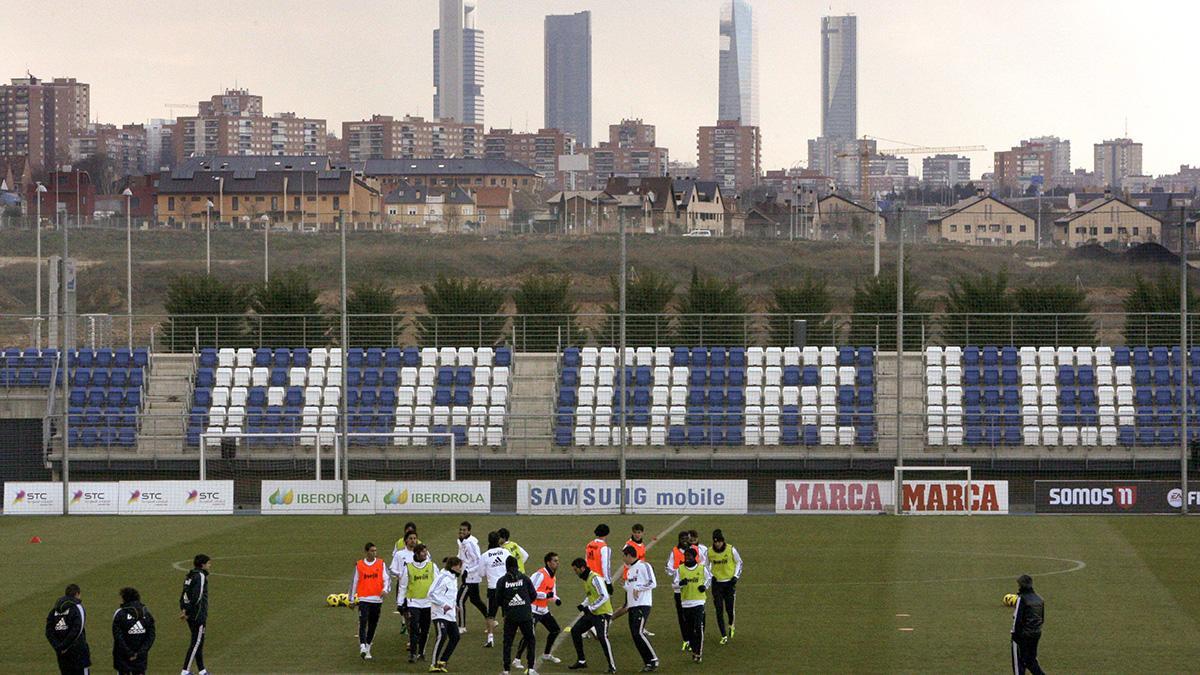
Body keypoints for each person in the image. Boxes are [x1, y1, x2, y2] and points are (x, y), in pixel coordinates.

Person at [567, 557, 617, 673]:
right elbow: (591, 595)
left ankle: (612, 666)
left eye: (576, 570)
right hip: (594, 613)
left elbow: (604, 596)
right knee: (575, 631)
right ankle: (581, 661)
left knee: (602, 637)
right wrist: (583, 604)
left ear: (582, 568)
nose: (575, 573)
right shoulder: (587, 579)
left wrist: (590, 607)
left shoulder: (595, 578)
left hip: (603, 613)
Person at [516, 552, 563, 669]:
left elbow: (552, 593)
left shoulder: (553, 576)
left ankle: (547, 654)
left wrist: (556, 599)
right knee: (528, 635)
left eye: (557, 561)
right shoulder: (540, 574)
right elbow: (533, 592)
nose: (557, 563)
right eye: (555, 561)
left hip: (544, 610)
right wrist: (547, 595)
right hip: (533, 610)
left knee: (555, 630)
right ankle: (517, 659)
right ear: (548, 562)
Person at [497, 556, 539, 675]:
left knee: (508, 643)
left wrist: (509, 605)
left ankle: (506, 670)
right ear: (517, 565)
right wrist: (524, 604)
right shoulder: (525, 578)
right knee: (530, 640)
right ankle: (530, 668)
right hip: (525, 615)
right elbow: (534, 595)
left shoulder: (502, 581)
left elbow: (498, 600)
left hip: (510, 616)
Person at [349, 542, 390, 661]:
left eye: (375, 551)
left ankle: (368, 647)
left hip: (377, 600)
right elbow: (354, 582)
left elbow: (386, 579)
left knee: (373, 624)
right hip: (364, 599)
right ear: (366, 552)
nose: (374, 553)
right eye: (372, 551)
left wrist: (385, 589)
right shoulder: (360, 565)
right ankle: (362, 646)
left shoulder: (381, 563)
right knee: (363, 621)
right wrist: (351, 599)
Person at [397, 543, 436, 663]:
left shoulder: (432, 566)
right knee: (414, 629)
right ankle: (413, 653)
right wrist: (400, 603)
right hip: (413, 603)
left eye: (426, 551)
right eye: (423, 552)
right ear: (417, 554)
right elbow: (403, 587)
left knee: (425, 629)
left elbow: (438, 582)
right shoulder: (408, 567)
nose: (425, 554)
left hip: (428, 603)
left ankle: (421, 652)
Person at [623, 545, 659, 672]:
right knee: (635, 635)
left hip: (642, 605)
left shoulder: (644, 566)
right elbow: (629, 586)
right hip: (632, 606)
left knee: (638, 632)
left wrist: (639, 588)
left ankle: (653, 659)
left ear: (629, 555)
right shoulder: (629, 571)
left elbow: (652, 583)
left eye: (624, 556)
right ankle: (648, 662)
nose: (623, 559)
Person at [674, 548, 710, 663]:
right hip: (686, 603)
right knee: (689, 630)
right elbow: (674, 585)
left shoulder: (702, 568)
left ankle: (698, 653)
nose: (687, 558)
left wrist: (704, 587)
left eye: (689, 556)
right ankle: (694, 650)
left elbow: (709, 579)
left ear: (695, 557)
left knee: (698, 627)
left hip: (699, 602)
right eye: (686, 556)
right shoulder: (680, 569)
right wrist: (680, 584)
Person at [706, 529, 743, 644]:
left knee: (729, 609)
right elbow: (705, 566)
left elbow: (739, 562)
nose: (717, 544)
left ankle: (731, 624)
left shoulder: (731, 549)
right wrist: (711, 576)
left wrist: (735, 577)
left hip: (729, 583)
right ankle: (723, 635)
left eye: (720, 541)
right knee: (718, 610)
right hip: (717, 584)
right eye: (715, 542)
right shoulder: (709, 551)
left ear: (723, 541)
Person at [45, 583, 90, 675]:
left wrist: (58, 647)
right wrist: (65, 646)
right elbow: (77, 630)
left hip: (62, 654)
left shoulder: (54, 610)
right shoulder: (78, 607)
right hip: (78, 651)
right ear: (77, 594)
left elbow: (49, 631)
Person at [429, 557, 464, 674]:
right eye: (459, 566)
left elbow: (449, 595)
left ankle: (442, 661)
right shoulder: (442, 577)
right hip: (439, 613)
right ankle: (433, 664)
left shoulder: (453, 579)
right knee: (442, 635)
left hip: (450, 614)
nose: (461, 569)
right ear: (453, 566)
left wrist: (454, 605)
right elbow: (431, 593)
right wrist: (443, 604)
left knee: (455, 636)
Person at [179, 553, 212, 675]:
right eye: (208, 563)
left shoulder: (190, 575)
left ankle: (202, 670)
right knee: (196, 642)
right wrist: (188, 610)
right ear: (203, 565)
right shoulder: (200, 576)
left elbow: (184, 594)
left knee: (198, 641)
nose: (210, 565)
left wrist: (183, 608)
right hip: (197, 614)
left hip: (190, 613)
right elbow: (197, 597)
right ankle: (185, 671)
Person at [112, 587, 156, 675]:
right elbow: (151, 636)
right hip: (140, 659)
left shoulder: (120, 614)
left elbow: (118, 637)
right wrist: (141, 652)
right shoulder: (146, 614)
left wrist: (129, 653)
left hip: (123, 657)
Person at [664, 531, 696, 652]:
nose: (684, 540)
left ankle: (694, 638)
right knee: (682, 616)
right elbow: (668, 568)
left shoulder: (695, 550)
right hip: (679, 590)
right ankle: (686, 639)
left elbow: (703, 565)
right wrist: (678, 572)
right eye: (682, 538)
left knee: (693, 615)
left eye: (686, 538)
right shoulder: (674, 552)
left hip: (693, 588)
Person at [482, 530, 514, 648]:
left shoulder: (485, 555)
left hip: (493, 588)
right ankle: (508, 637)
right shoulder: (505, 552)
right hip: (506, 586)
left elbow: (481, 573)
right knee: (506, 613)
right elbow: (511, 565)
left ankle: (490, 638)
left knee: (491, 614)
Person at [455, 521, 487, 633]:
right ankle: (490, 618)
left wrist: (468, 571)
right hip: (468, 576)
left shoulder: (471, 544)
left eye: (464, 530)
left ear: (469, 531)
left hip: (471, 578)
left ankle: (462, 626)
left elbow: (479, 561)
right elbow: (462, 557)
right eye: (460, 530)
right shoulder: (463, 542)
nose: (462, 532)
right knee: (475, 600)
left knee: (459, 600)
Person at [1011, 574, 1046, 675]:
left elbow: (1017, 619)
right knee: (1031, 661)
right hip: (1035, 634)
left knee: (1018, 664)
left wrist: (1015, 635)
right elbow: (1041, 618)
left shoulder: (1021, 599)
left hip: (1022, 635)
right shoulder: (1040, 599)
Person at [612, 524, 648, 622]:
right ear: (632, 532)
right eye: (635, 532)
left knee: (638, 603)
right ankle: (608, 620)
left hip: (639, 578)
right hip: (632, 578)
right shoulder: (629, 545)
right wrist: (627, 577)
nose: (637, 535)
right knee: (628, 605)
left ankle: (640, 625)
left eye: (639, 532)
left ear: (643, 533)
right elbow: (626, 562)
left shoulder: (642, 545)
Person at [391, 530, 420, 621]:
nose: (413, 540)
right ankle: (410, 631)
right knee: (406, 612)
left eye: (415, 538)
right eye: (410, 538)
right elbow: (392, 569)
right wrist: (400, 574)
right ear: (406, 541)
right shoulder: (399, 554)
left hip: (418, 586)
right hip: (404, 587)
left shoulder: (421, 554)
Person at [585, 524, 613, 594]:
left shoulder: (589, 544)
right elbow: (605, 567)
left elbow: (586, 561)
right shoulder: (604, 548)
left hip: (589, 578)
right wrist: (608, 583)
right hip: (600, 580)